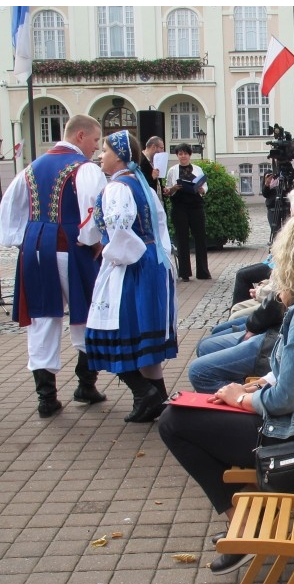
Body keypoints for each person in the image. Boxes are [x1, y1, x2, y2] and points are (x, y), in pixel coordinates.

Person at [158, 212, 294, 574]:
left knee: (173, 422)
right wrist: (255, 386)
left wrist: (241, 399)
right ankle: (245, 519)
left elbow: (287, 399)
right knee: (195, 416)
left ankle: (241, 521)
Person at [0, 114, 108, 418]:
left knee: (42, 317)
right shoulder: (84, 169)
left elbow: (8, 217)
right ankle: (86, 385)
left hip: (35, 251)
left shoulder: (30, 168)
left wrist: (27, 240)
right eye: (96, 140)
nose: (97, 149)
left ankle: (46, 397)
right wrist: (93, 240)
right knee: (87, 314)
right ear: (80, 136)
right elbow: (93, 212)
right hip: (73, 249)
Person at [188, 192, 294, 393]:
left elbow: (288, 389)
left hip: (274, 349)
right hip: (275, 344)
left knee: (199, 370)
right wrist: (251, 389)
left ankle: (234, 392)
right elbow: (287, 371)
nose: (292, 220)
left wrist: (243, 396)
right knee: (208, 348)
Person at [85, 131, 178, 423]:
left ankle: (144, 393)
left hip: (130, 265)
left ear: (120, 155)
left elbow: (122, 234)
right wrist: (159, 256)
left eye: (105, 150)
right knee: (144, 336)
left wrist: (112, 255)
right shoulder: (142, 184)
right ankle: (157, 399)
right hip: (151, 261)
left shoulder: (117, 187)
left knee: (110, 332)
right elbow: (161, 227)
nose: (101, 155)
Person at [164, 143, 210, 282]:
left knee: (200, 237)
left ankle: (203, 271)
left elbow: (204, 187)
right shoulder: (173, 170)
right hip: (179, 206)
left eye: (185, 153)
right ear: (177, 155)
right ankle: (184, 273)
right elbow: (167, 190)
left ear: (190, 155)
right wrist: (173, 188)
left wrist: (201, 189)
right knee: (182, 238)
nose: (183, 156)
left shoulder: (197, 169)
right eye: (180, 154)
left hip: (195, 205)